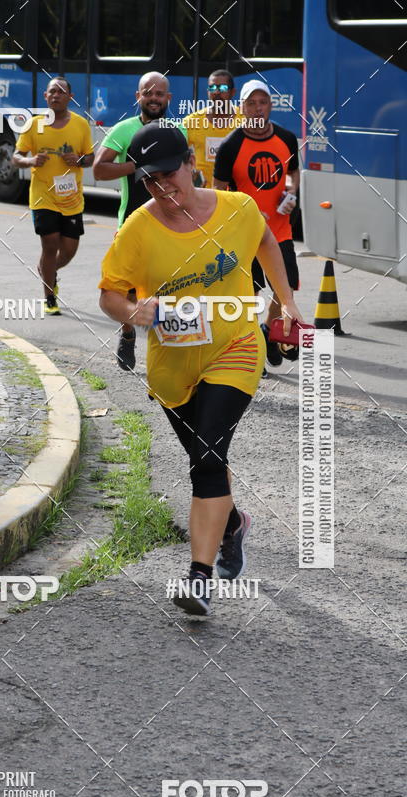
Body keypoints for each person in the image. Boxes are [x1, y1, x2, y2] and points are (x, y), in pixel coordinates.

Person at [99, 123, 304, 616]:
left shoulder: (238, 209)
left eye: (169, 174)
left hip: (235, 347)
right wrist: (132, 312)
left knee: (208, 454)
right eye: (150, 180)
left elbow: (265, 244)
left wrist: (286, 299)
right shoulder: (137, 230)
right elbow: (108, 291)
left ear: (192, 163)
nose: (162, 187)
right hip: (172, 366)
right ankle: (232, 522)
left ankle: (199, 578)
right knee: (204, 455)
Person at [93, 72, 182, 370]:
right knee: (125, 288)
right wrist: (141, 165)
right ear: (138, 97)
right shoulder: (124, 129)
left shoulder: (177, 130)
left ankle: (168, 358)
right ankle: (128, 332)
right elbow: (99, 169)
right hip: (131, 220)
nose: (154, 98)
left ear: (168, 98)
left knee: (170, 286)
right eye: (148, 93)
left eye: (160, 94)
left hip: (171, 222)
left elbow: (189, 172)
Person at [213, 80, 300, 368]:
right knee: (249, 295)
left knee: (284, 288)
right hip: (245, 233)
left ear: (270, 106)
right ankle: (250, 353)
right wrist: (237, 215)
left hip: (280, 229)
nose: (257, 108)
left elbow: (292, 173)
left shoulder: (286, 139)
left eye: (262, 102)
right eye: (251, 103)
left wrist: (290, 192)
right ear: (242, 107)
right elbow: (219, 191)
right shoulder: (230, 146)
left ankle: (268, 331)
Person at [13, 76, 94, 316]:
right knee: (50, 244)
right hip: (42, 197)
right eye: (52, 92)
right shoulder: (33, 125)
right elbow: (17, 156)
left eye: (61, 91)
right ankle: (49, 296)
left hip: (71, 198)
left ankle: (48, 270)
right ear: (45, 96)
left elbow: (90, 157)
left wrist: (78, 160)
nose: (56, 95)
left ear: (70, 97)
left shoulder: (81, 125)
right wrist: (30, 160)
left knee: (68, 250)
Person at [182, 69, 241, 188]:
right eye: (212, 88)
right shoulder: (192, 121)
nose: (217, 92)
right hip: (202, 196)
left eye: (223, 88)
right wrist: (190, 174)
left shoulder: (245, 120)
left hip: (236, 196)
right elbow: (177, 157)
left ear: (233, 92)